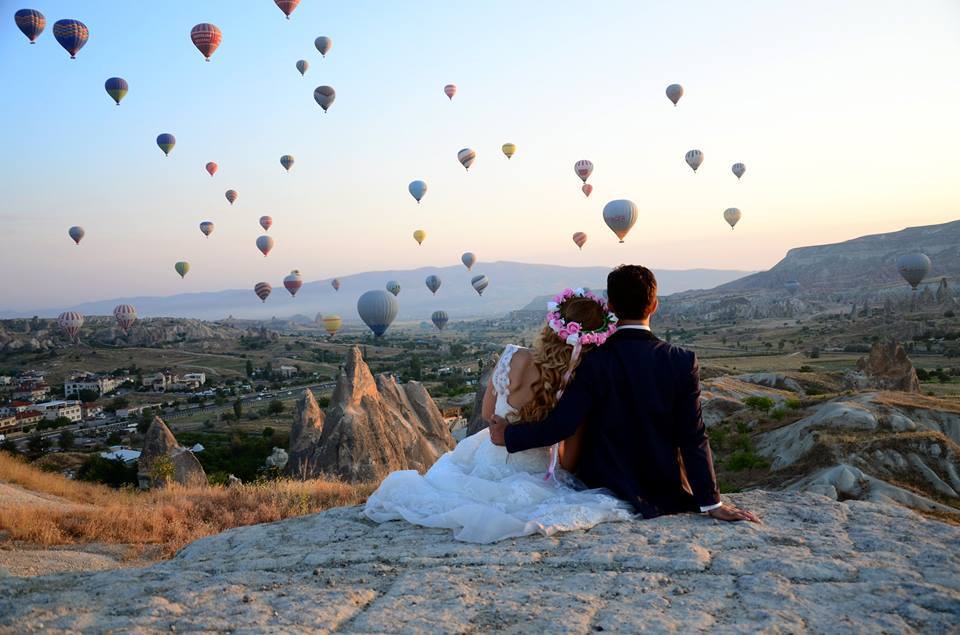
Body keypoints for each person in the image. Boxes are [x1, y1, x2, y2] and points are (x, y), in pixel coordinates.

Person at [489, 265, 759, 523]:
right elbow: (693, 436)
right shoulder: (682, 361)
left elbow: (562, 425)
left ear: (611, 308)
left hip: (603, 487)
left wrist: (508, 435)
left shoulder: (594, 359)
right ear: (654, 305)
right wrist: (713, 503)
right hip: (663, 491)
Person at [362, 290, 634, 542]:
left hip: (486, 460)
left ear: (551, 324)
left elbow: (487, 414)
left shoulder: (512, 356)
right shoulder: (578, 382)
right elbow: (570, 458)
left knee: (438, 488)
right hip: (536, 474)